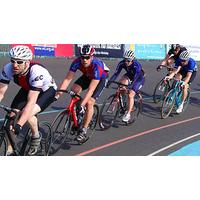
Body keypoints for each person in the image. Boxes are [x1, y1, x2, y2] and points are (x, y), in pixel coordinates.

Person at [0, 45, 57, 155]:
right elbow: (1, 92)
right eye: (13, 61)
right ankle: (10, 149)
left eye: (19, 62)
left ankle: (36, 136)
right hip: (28, 88)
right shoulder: (7, 68)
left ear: (27, 62)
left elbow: (31, 102)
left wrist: (20, 124)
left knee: (27, 114)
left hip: (46, 91)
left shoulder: (36, 71)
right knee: (12, 115)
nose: (15, 65)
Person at [55, 44, 109, 143]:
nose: (84, 60)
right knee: (74, 90)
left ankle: (84, 130)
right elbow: (67, 79)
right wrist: (58, 95)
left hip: (100, 78)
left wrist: (83, 104)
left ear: (91, 57)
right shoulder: (76, 62)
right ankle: (79, 113)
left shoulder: (97, 66)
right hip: (88, 76)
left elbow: (91, 90)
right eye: (82, 57)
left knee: (89, 102)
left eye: (87, 57)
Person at [107, 50, 145, 122]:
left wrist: (131, 86)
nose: (126, 62)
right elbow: (116, 74)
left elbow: (136, 77)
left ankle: (128, 114)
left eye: (128, 60)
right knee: (121, 85)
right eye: (125, 60)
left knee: (131, 94)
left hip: (138, 79)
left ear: (132, 60)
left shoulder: (136, 65)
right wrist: (110, 82)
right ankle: (122, 101)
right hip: (129, 75)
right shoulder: (122, 63)